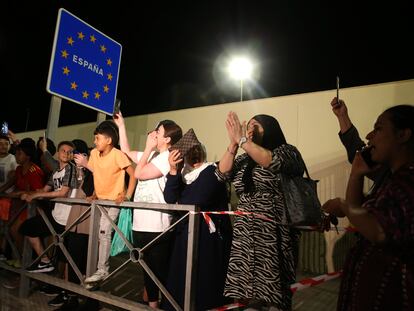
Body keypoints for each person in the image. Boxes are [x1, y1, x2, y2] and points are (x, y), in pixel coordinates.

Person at [322, 104, 414, 310]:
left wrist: (345, 206)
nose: (370, 135)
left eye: (379, 128)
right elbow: (363, 213)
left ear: (403, 135)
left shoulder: (408, 182)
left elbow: (379, 230)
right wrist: (356, 175)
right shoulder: (391, 179)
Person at [218, 111, 303, 310]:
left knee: (273, 289)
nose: (250, 130)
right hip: (245, 229)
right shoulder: (245, 159)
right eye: (249, 126)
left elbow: (271, 162)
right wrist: (233, 144)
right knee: (247, 289)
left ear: (270, 128)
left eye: (256, 125)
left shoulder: (286, 151)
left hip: (273, 227)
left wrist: (243, 140)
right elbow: (222, 174)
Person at [114, 112, 182, 309]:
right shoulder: (152, 154)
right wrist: (121, 126)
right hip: (140, 222)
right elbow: (126, 151)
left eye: (158, 131)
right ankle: (151, 304)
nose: (153, 133)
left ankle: (163, 305)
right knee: (147, 270)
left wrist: (146, 148)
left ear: (167, 139)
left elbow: (139, 173)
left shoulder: (168, 156)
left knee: (159, 272)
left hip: (157, 224)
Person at [163, 138, 232, 310]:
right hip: (185, 235)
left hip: (206, 239)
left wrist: (180, 201)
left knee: (203, 280)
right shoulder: (183, 174)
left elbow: (197, 199)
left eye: (196, 150)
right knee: (182, 278)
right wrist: (173, 170)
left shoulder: (210, 171)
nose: (193, 155)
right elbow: (170, 199)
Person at [75, 120, 136, 286]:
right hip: (100, 200)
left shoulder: (118, 154)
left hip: (114, 201)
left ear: (109, 140)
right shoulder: (94, 153)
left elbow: (133, 174)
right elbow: (97, 173)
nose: (95, 142)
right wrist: (94, 193)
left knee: (104, 232)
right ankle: (97, 272)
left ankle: (103, 269)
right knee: (100, 234)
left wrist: (127, 196)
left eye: (97, 138)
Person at [20, 141, 78, 274]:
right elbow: (44, 189)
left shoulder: (71, 168)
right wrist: (29, 194)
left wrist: (36, 196)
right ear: (57, 153)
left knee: (64, 256)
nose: (66, 153)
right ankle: (45, 261)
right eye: (63, 150)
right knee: (27, 227)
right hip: (57, 215)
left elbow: (63, 193)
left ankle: (49, 269)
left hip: (68, 218)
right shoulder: (56, 171)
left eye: (70, 152)